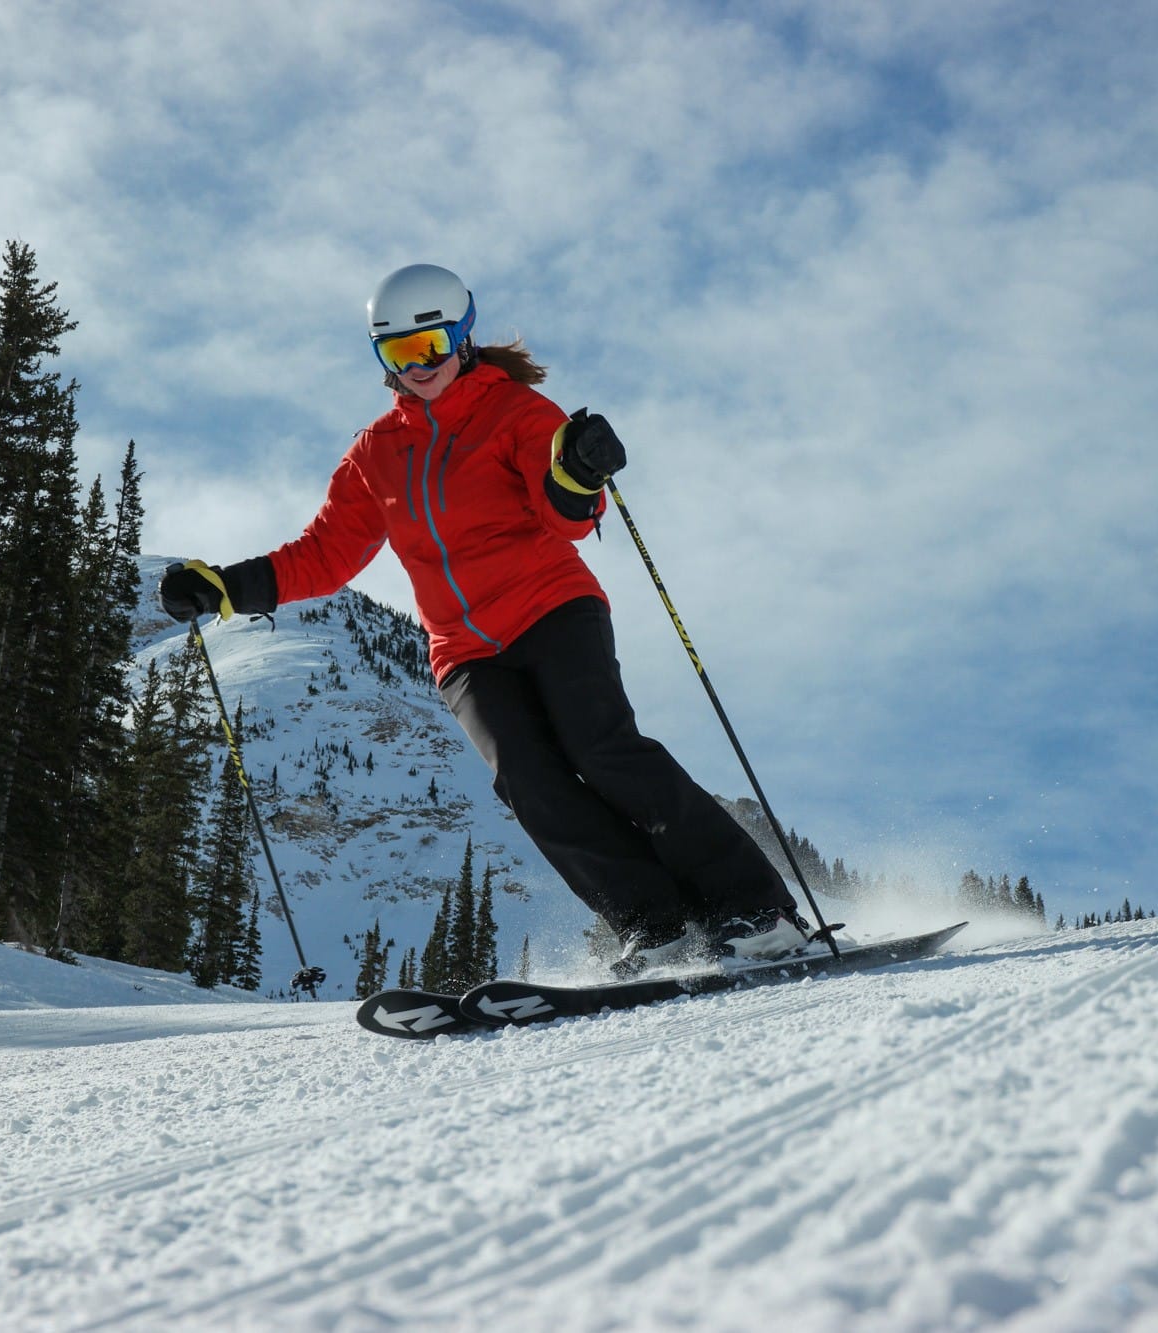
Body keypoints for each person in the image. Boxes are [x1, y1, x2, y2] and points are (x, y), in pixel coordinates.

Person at [159, 263, 809, 976]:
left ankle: (755, 906)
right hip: (464, 650)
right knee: (530, 782)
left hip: (552, 608)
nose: (420, 367)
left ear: (463, 336)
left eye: (431, 346)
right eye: (400, 355)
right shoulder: (376, 454)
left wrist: (580, 471)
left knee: (603, 750)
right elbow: (325, 553)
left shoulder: (518, 413)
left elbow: (565, 510)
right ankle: (655, 924)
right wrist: (225, 588)